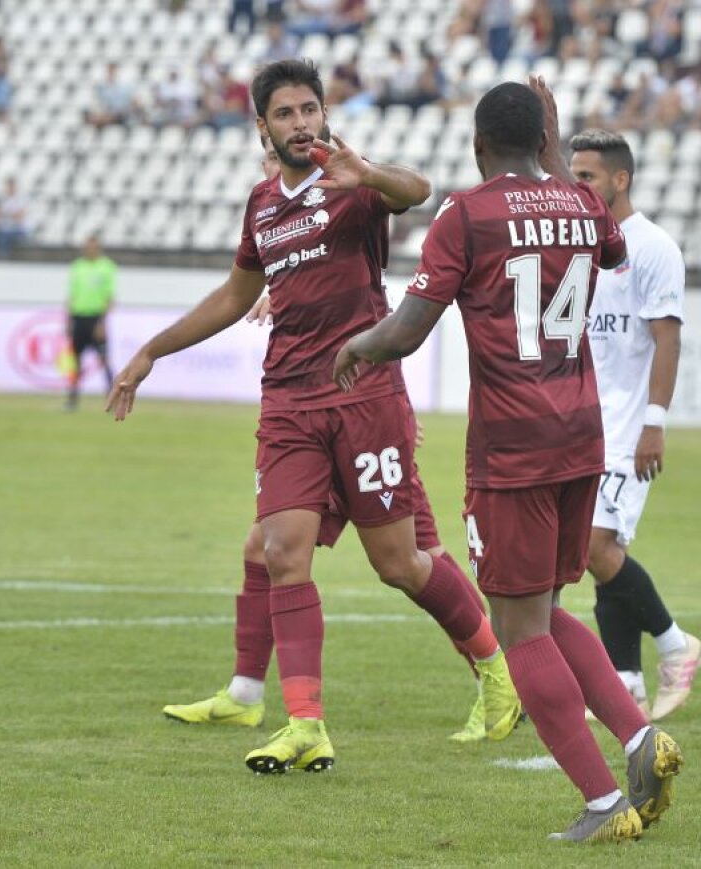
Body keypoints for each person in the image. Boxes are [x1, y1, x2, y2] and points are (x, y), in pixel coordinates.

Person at [108, 59, 520, 774]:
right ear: (262, 126)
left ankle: (495, 670)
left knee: (399, 562)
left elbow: (418, 191)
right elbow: (235, 297)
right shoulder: (262, 205)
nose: (301, 123)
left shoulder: (353, 187)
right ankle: (303, 720)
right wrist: (152, 350)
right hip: (289, 402)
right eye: (287, 113)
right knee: (277, 551)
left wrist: (369, 174)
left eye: (310, 110)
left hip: (364, 398)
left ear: (325, 115)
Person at [332, 79, 684, 843]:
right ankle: (637, 736)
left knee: (519, 628)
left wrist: (358, 345)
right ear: (545, 141)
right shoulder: (583, 203)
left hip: (513, 448)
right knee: (548, 611)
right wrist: (554, 152)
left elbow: (408, 329)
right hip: (582, 438)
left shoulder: (466, 212)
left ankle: (600, 800)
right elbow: (611, 247)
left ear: (479, 146)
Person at [569, 129, 701, 722]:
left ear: (620, 180)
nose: (577, 187)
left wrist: (655, 423)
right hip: (581, 426)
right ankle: (625, 682)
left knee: (595, 546)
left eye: (588, 177)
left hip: (627, 430)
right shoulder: (581, 246)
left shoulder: (653, 248)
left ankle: (677, 645)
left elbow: (666, 340)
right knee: (599, 551)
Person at [65, 234, 117, 410]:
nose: (89, 249)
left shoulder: (107, 267)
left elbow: (109, 297)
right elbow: (72, 295)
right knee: (75, 362)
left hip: (96, 319)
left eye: (93, 246)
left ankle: (112, 398)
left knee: (104, 360)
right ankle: (72, 400)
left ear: (98, 248)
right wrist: (69, 321)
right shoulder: (77, 266)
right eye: (87, 246)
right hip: (79, 318)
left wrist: (102, 322)